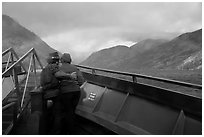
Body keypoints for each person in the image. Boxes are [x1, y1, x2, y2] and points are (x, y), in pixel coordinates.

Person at [40, 52, 76, 134]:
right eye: (57, 61)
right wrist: (70, 76)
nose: (58, 63)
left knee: (47, 114)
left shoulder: (45, 69)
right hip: (54, 94)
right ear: (55, 61)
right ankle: (57, 132)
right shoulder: (53, 67)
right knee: (58, 114)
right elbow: (58, 74)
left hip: (45, 94)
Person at [59, 53, 84, 134]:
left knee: (66, 111)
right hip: (76, 92)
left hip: (65, 92)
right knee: (72, 111)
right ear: (70, 60)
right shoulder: (75, 68)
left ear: (62, 60)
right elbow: (81, 81)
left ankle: (68, 131)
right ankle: (72, 129)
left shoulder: (59, 68)